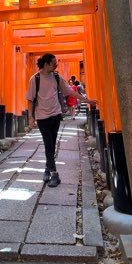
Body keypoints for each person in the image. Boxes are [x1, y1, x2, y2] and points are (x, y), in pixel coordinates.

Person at [26, 53, 97, 187]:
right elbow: (30, 99)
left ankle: (47, 169)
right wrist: (30, 117)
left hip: (56, 115)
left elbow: (69, 91)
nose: (56, 65)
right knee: (48, 144)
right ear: (46, 64)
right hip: (42, 117)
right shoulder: (35, 79)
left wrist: (86, 100)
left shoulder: (57, 77)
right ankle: (54, 174)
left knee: (52, 144)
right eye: (54, 63)